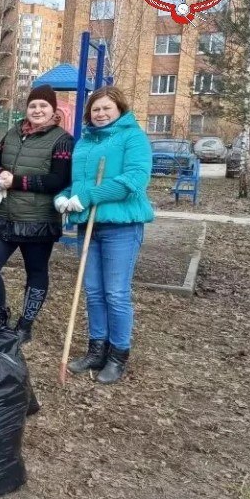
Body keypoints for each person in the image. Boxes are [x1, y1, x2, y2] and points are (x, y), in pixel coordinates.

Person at [56, 86, 153, 384]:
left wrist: (89, 196)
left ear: (119, 109)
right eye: (96, 109)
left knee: (116, 292)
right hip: (90, 225)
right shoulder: (84, 142)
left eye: (106, 108)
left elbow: (134, 180)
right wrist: (63, 198)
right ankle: (96, 350)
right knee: (94, 292)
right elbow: (77, 184)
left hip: (121, 226)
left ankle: (117, 356)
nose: (100, 114)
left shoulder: (132, 136)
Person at [0, 85, 74, 342]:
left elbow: (58, 180)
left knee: (36, 271)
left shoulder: (62, 140)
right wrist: (0, 174)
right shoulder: (13, 133)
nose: (38, 110)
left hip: (38, 220)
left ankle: (25, 324)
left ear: (53, 109)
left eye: (43, 106)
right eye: (33, 105)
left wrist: (17, 181)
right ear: (27, 108)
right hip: (5, 215)